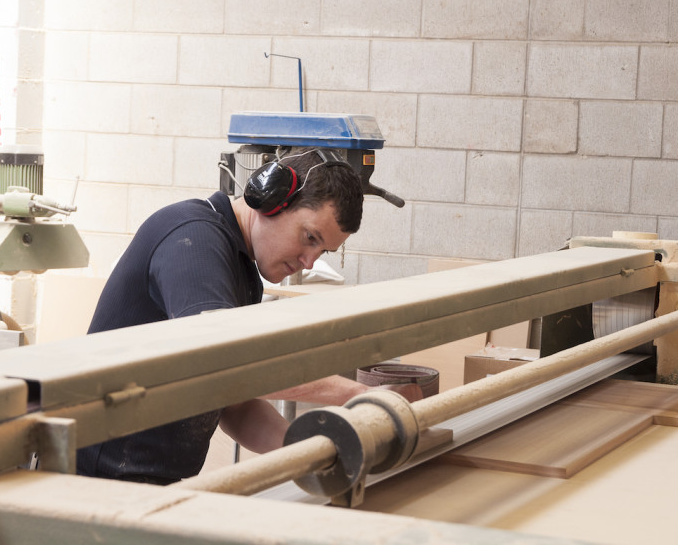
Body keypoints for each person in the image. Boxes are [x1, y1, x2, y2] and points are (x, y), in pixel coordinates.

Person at [76, 148, 420, 485]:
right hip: (97, 482)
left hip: (148, 479)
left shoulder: (242, 272)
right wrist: (358, 394)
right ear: (271, 200)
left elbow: (235, 403)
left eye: (322, 250)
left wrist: (310, 457)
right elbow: (227, 358)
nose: (310, 261)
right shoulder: (194, 237)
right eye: (309, 237)